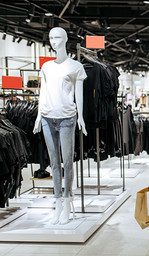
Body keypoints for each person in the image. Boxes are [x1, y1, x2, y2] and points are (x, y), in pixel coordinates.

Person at [33, 27, 87, 225]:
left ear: (65, 39)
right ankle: (57, 202)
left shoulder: (75, 66)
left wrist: (81, 116)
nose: (53, 41)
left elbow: (78, 93)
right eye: (50, 38)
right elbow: (43, 91)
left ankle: (67, 200)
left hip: (67, 118)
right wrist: (39, 115)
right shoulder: (46, 67)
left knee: (68, 162)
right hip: (47, 117)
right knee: (54, 163)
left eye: (57, 37)